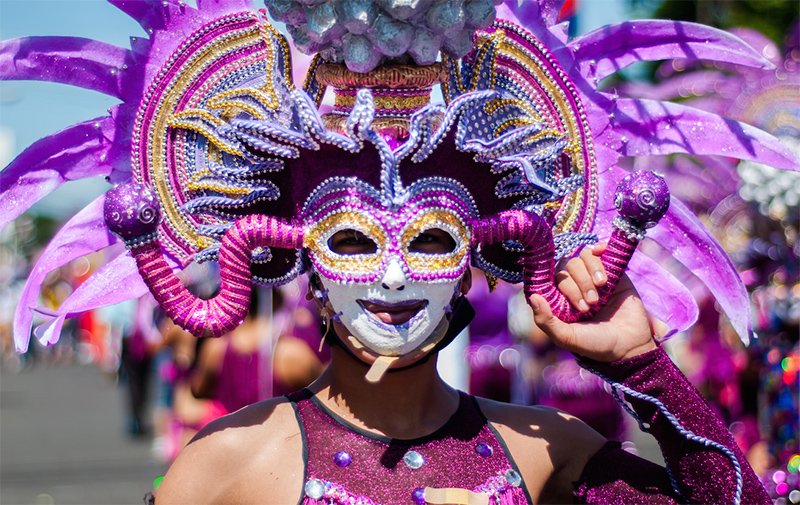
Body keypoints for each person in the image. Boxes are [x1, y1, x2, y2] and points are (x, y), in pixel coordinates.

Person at [4, 1, 795, 504]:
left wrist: (642, 366)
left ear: (476, 253)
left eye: (429, 240)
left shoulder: (544, 453)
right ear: (298, 254)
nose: (390, 274)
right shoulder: (226, 469)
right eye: (350, 239)